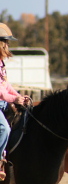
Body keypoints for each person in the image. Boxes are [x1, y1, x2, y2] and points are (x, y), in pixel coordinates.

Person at [0, 23, 29, 181]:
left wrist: (19, 97)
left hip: (3, 103)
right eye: (6, 42)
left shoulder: (1, 62)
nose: (8, 46)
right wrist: (13, 99)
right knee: (4, 128)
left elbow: (6, 85)